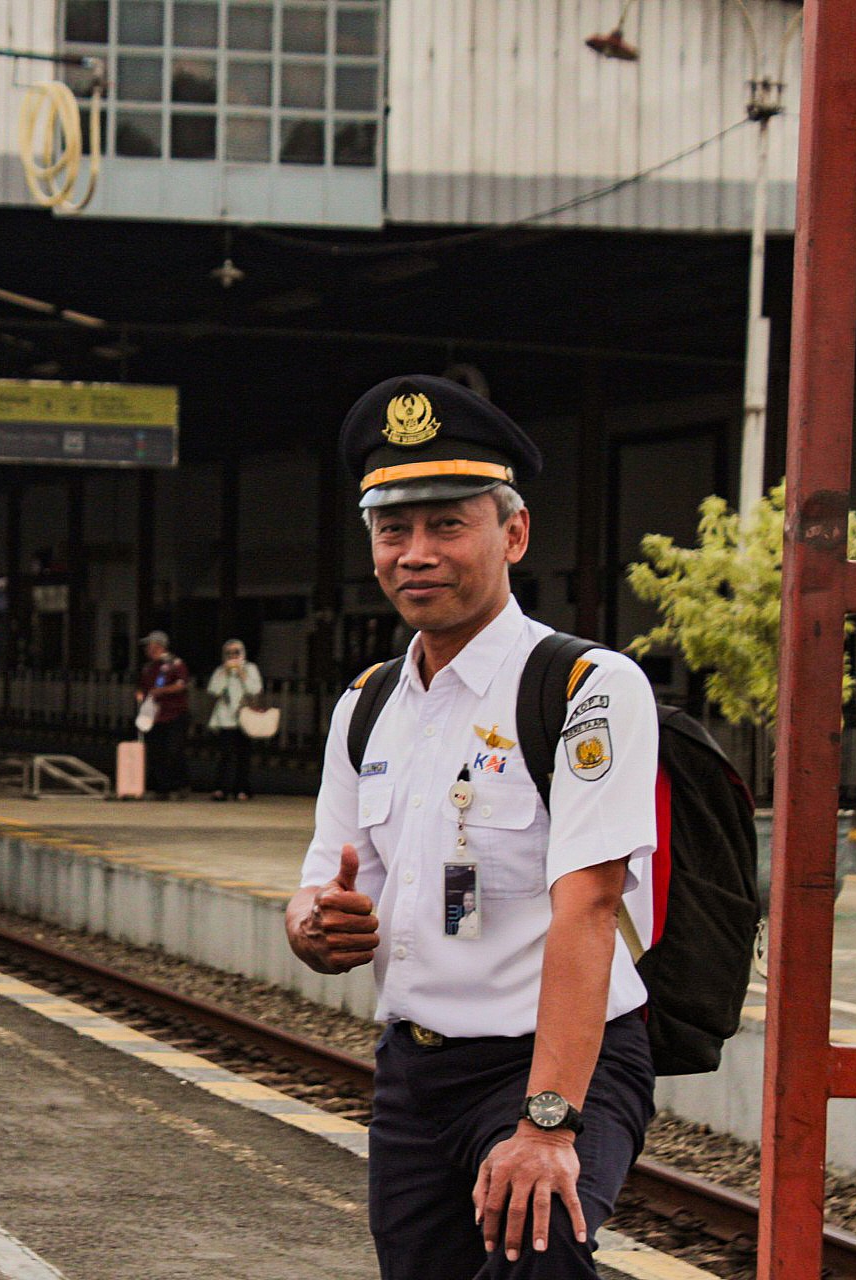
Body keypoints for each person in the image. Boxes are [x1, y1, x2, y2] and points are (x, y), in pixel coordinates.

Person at [285, 375, 659, 1279]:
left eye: (448, 524)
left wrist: (547, 1120)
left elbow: (591, 907)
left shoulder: (585, 689)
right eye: (393, 530)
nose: (416, 552)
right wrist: (313, 928)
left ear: (514, 533)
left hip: (552, 1062)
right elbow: (322, 891)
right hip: (414, 1075)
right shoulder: (366, 706)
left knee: (541, 1261)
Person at [134, 630, 191, 798]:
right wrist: (140, 694)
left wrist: (162, 691)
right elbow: (144, 687)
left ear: (158, 646)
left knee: (174, 750)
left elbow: (181, 685)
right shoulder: (148, 667)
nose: (146, 649)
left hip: (175, 714)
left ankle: (181, 784)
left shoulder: (175, 664)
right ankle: (162, 788)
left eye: (149, 646)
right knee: (157, 752)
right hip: (154, 715)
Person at [206, 639, 262, 800]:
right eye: (229, 653)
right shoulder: (221, 671)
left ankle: (242, 789)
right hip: (225, 719)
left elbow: (255, 689)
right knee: (225, 755)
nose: (233, 656)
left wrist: (241, 673)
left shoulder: (251, 669)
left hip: (245, 717)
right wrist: (226, 671)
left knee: (243, 755)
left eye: (236, 652)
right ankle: (221, 788)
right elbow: (214, 690)